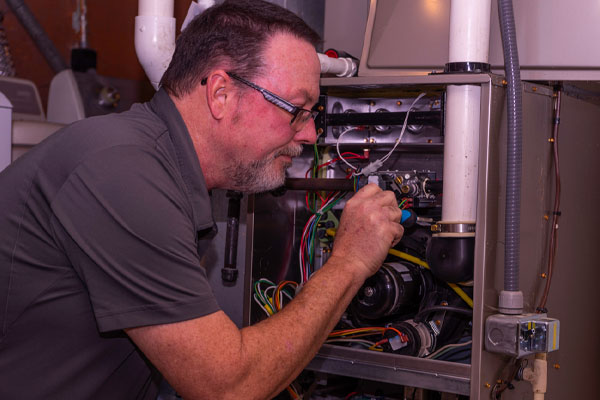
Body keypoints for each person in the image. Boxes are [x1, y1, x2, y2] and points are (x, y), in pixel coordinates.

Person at [0, 1, 404, 398]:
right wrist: (349, 262)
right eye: (296, 110)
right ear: (221, 94)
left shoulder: (160, 165)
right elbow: (228, 387)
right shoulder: (121, 172)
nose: (310, 135)